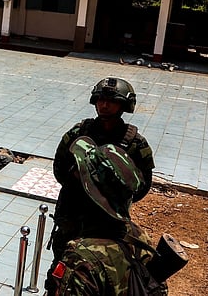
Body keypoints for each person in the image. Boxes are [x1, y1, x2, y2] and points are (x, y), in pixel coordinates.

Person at [47, 77, 155, 294]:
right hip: (73, 216)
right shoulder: (79, 133)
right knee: (64, 273)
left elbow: (142, 187)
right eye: (101, 100)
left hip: (107, 220)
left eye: (111, 101)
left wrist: (109, 191)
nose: (104, 105)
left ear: (125, 106)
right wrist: (78, 179)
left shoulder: (135, 143)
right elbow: (59, 168)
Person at [49, 136, 167, 295]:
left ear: (90, 194)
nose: (72, 176)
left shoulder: (80, 259)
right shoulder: (139, 237)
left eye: (79, 175)